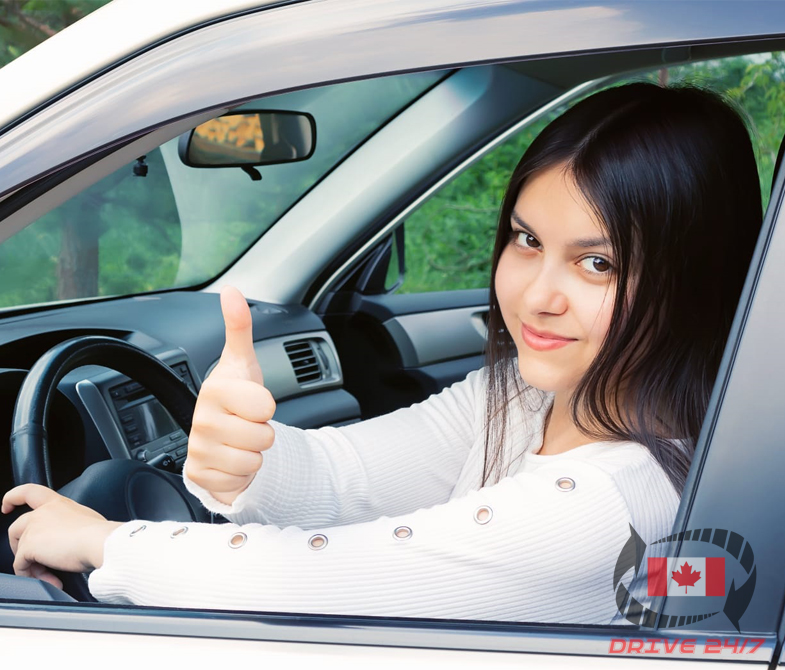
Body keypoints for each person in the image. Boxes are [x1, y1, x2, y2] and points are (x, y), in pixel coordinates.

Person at [1, 82, 763, 623]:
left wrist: (106, 542)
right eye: (527, 240)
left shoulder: (606, 508)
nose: (537, 296)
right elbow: (348, 478)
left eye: (596, 264)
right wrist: (248, 456)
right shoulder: (530, 393)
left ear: (691, 282)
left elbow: (309, 578)